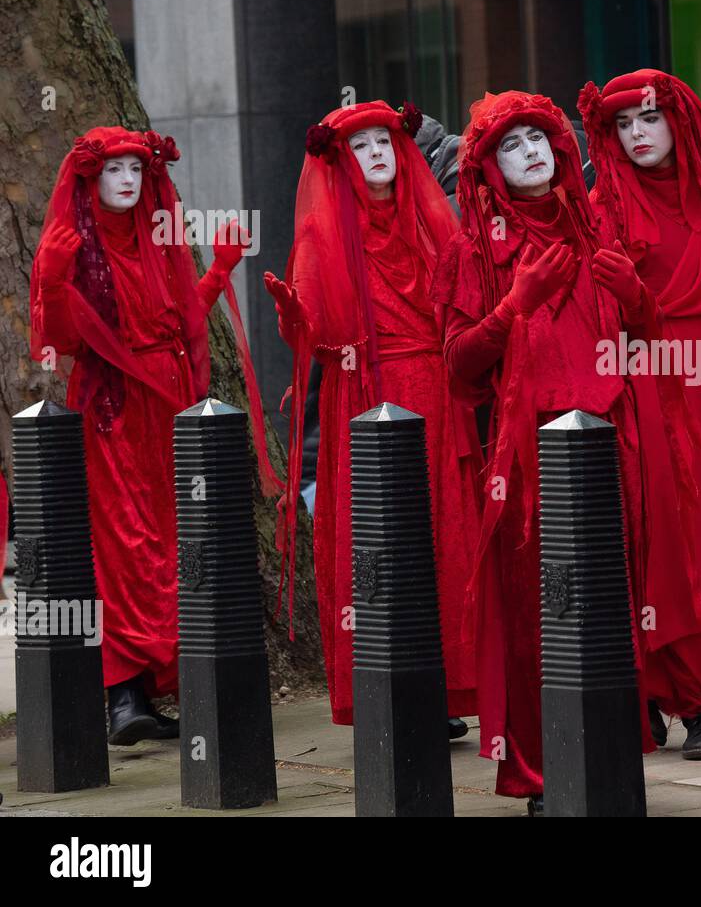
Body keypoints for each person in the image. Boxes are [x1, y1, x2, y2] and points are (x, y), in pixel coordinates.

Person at [437, 90, 657, 814]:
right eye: (512, 145)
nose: (532, 152)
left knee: (609, 604)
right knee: (541, 614)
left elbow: (638, 339)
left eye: (540, 137)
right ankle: (542, 771)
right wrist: (514, 305)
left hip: (605, 438)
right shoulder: (474, 246)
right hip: (529, 457)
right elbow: (461, 362)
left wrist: (636, 297)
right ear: (490, 167)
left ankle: (610, 760)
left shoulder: (592, 223)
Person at [29, 126, 267, 743]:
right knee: (123, 543)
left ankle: (172, 683)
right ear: (90, 179)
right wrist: (54, 282)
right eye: (114, 170)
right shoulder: (71, 242)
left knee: (174, 534)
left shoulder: (158, 237)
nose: (129, 180)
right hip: (112, 405)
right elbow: (61, 343)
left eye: (137, 168)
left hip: (172, 403)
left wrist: (218, 268)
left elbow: (184, 319)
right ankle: (123, 696)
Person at [264, 100, 481, 729]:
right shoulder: (323, 229)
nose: (378, 153)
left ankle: (442, 684)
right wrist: (292, 315)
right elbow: (311, 332)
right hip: (363, 396)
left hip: (435, 392)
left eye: (385, 141)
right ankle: (392, 684)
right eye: (361, 146)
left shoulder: (434, 217)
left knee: (442, 535)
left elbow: (465, 300)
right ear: (340, 161)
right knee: (377, 540)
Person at [578, 69, 701, 757]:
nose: (637, 135)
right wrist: (631, 301)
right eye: (623, 125)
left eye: (648, 120)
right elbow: (598, 316)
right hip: (649, 382)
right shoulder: (602, 207)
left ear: (677, 124)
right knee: (661, 535)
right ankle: (684, 701)